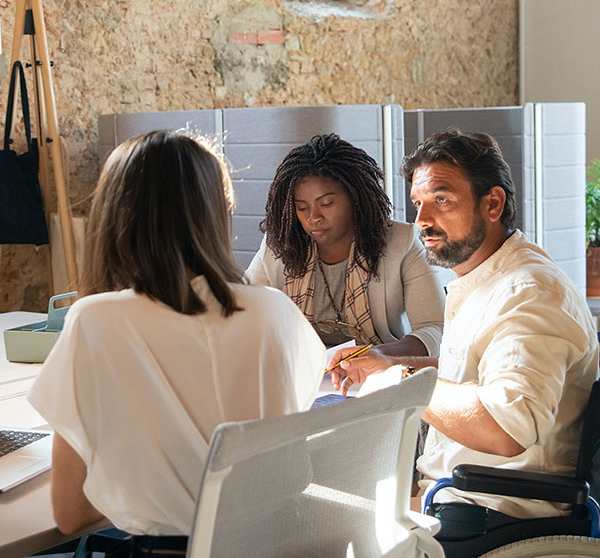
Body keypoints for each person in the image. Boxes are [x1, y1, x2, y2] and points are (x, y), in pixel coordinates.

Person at [27, 131, 326, 548]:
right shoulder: (274, 310)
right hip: (271, 545)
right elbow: (287, 465)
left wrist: (145, 491)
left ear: (115, 216)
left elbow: (70, 512)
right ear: (215, 213)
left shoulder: (95, 321)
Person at [328, 129, 599, 519]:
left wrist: (401, 382)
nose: (422, 220)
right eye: (418, 203)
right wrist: (388, 363)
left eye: (441, 200)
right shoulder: (489, 279)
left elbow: (506, 428)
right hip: (456, 499)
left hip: (497, 513)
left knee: (324, 528)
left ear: (493, 204)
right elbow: (477, 372)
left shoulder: (530, 291)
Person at [246, 133, 445, 361]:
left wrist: (375, 355)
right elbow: (244, 315)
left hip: (378, 371)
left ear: (355, 197)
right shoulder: (280, 246)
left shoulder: (402, 242)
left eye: (326, 203)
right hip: (301, 370)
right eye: (302, 208)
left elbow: (435, 329)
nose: (314, 217)